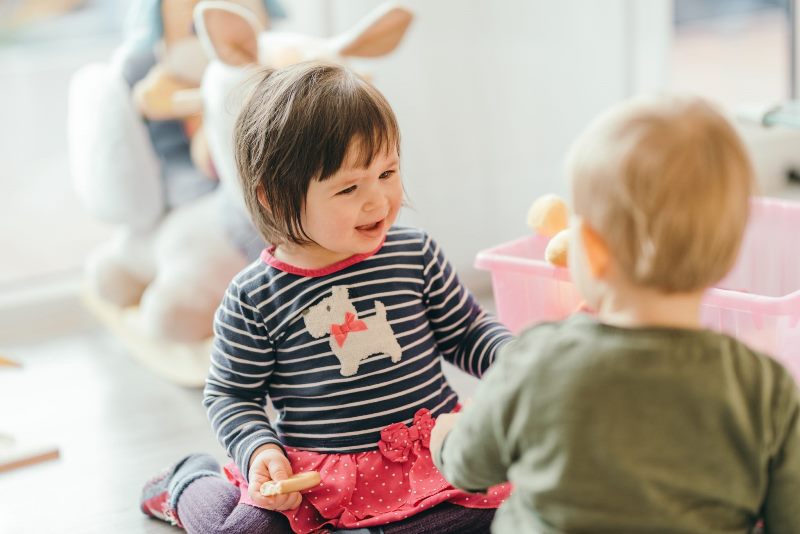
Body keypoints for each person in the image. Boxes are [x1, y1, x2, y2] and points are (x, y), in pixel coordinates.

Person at [140, 61, 513, 534]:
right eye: (350, 187)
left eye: (388, 172)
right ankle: (188, 481)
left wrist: (514, 358)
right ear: (276, 198)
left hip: (433, 458)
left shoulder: (413, 253)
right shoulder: (255, 296)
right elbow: (231, 394)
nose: (377, 200)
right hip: (316, 479)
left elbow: (467, 332)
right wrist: (261, 451)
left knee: (518, 506)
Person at [430, 95, 800, 533]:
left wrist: (449, 434)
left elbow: (471, 468)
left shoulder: (537, 360)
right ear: (728, 254)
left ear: (594, 251)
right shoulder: (765, 386)